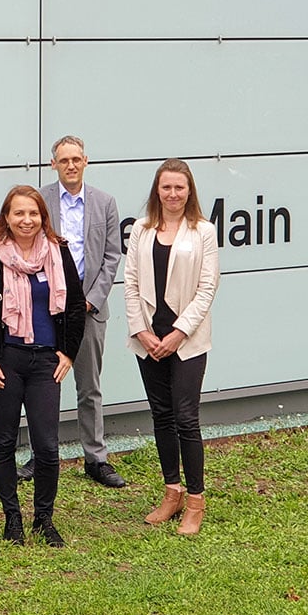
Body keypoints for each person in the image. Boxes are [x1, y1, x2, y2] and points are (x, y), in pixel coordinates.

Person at [0, 186, 86, 547]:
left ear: (43, 217)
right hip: (6, 360)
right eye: (19, 213)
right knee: (4, 441)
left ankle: (43, 518)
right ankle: (12, 518)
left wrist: (68, 353)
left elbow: (75, 305)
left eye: (33, 213)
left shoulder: (58, 251)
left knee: (47, 446)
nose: (26, 220)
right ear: (6, 217)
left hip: (45, 361)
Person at [20, 136, 125, 487]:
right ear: (53, 164)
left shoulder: (105, 202)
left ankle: (96, 459)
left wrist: (90, 299)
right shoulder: (39, 200)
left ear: (85, 161)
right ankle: (40, 456)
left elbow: (112, 256)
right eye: (63, 160)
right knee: (41, 385)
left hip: (89, 305)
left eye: (76, 159)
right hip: (47, 304)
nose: (70, 165)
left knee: (89, 386)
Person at [124, 159, 219, 536]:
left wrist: (179, 333)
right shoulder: (141, 229)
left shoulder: (204, 231)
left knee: (186, 418)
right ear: (157, 190)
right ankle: (172, 492)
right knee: (161, 416)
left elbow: (207, 288)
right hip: (149, 339)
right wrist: (141, 331)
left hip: (187, 341)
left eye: (180, 187)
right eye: (167, 187)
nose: (173, 194)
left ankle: (195, 501)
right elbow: (130, 283)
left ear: (189, 190)